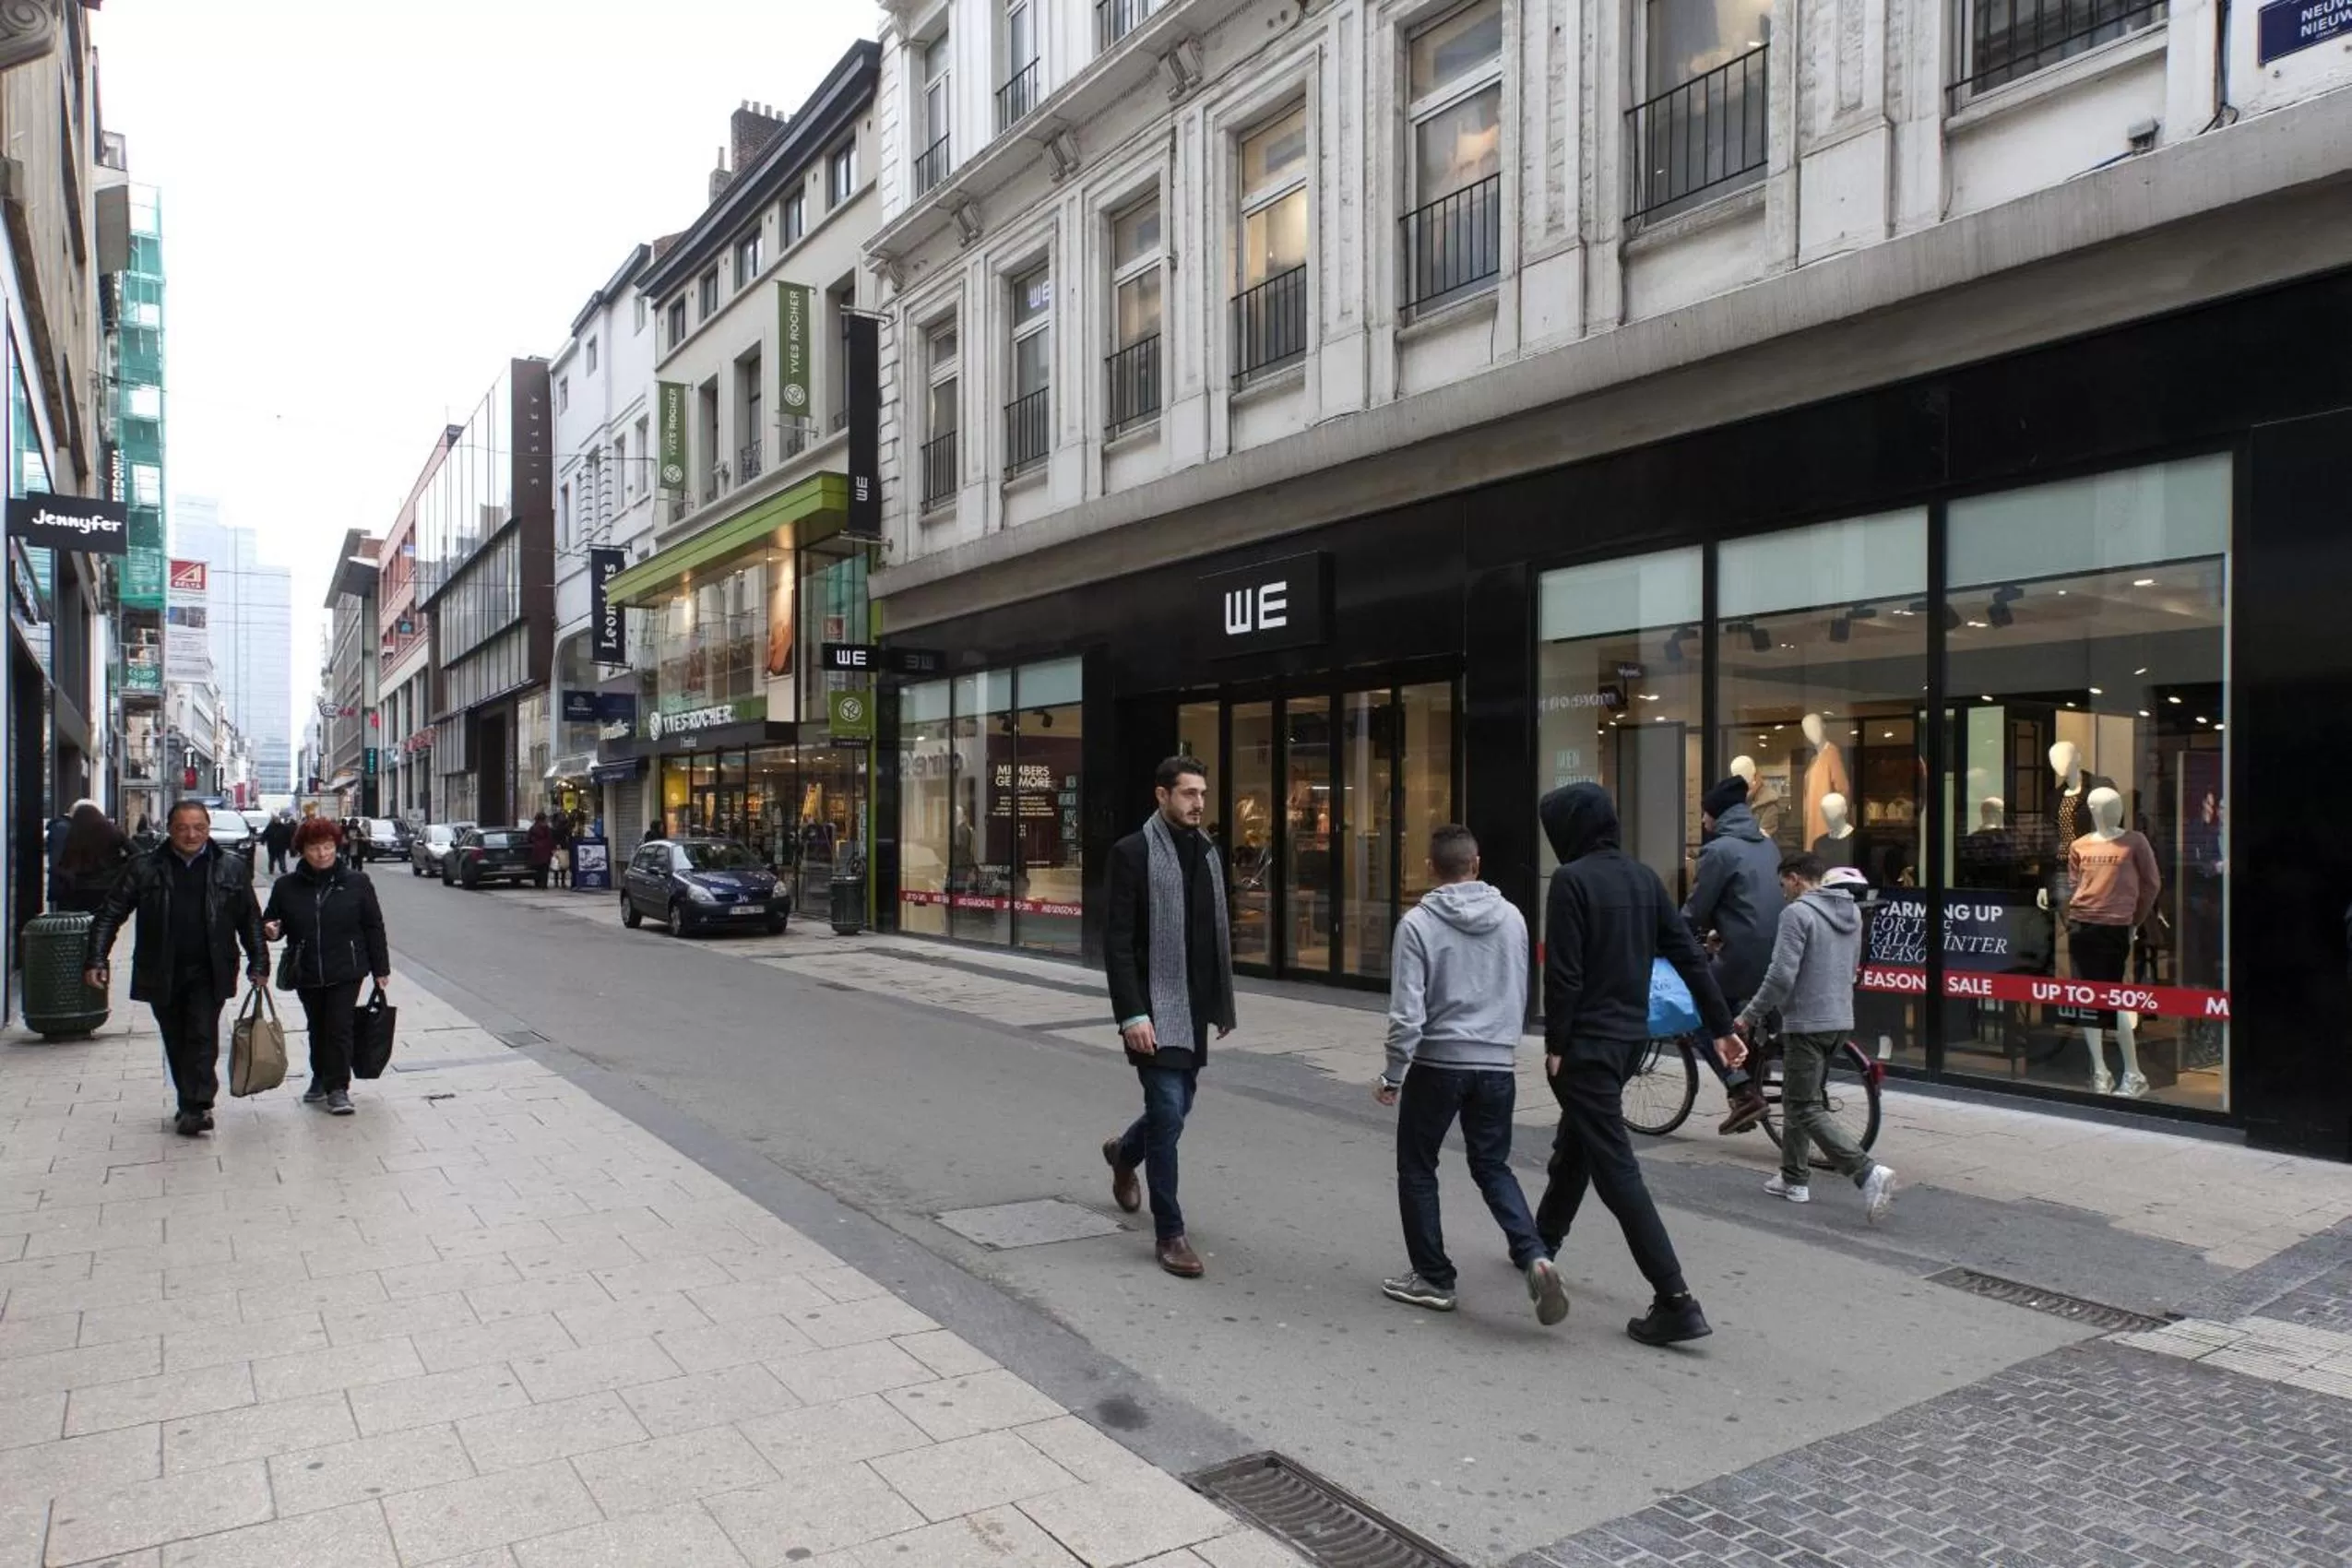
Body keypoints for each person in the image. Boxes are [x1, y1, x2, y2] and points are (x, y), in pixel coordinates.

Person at [1534, 782, 1743, 1348]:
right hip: (1629, 1044)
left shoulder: (1572, 882)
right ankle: (1538, 1244)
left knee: (1614, 1167)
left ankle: (1675, 1298)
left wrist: (1556, 1041)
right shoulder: (1645, 878)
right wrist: (1721, 1029)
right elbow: (1690, 957)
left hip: (1587, 1045)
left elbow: (1565, 973)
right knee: (1577, 1143)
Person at [1374, 825, 1568, 1325]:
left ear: (1430, 866)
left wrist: (1393, 1073)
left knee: (1418, 1167)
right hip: (1496, 1065)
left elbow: (1407, 1013)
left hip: (1438, 1064)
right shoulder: (1512, 918)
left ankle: (1433, 1277)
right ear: (1477, 864)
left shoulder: (1417, 924)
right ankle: (1534, 1255)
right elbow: (1520, 989)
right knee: (1492, 1166)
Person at [1100, 755, 1236, 1279]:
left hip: (1193, 1006)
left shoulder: (1207, 854)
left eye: (1202, 792)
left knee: (1177, 1109)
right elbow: (1116, 942)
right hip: (1152, 1006)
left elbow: (1212, 934)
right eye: (1187, 793)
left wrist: (1221, 1000)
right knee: (1167, 1114)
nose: (1198, 802)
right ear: (1162, 796)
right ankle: (1170, 1233)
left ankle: (1122, 1153)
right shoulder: (1132, 853)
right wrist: (1131, 1012)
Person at [83, 799, 268, 1136]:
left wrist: (259, 961)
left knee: (202, 1034)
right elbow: (111, 913)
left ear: (208, 829)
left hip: (210, 968)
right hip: (162, 968)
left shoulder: (231, 868)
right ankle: (188, 1102)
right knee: (176, 1036)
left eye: (199, 827)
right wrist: (97, 958)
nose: (191, 834)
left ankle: (198, 1106)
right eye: (183, 828)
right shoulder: (145, 867)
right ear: (169, 830)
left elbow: (249, 919)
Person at [1738, 857, 1896, 1220]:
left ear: (1795, 880)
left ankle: (1867, 1173)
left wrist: (1749, 1014)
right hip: (1840, 1020)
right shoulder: (1852, 914)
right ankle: (1793, 1178)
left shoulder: (1797, 915)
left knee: (1806, 1106)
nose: (1783, 894)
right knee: (1799, 1097)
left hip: (1807, 1022)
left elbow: (1781, 975)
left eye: (1783, 886)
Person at [262, 818, 390, 1117]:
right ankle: (319, 1076)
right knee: (317, 1026)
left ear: (337, 846)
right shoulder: (286, 886)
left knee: (339, 1026)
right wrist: (271, 929)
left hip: (347, 967)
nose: (322, 854)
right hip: (305, 967)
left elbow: (373, 926)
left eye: (328, 846)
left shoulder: (357, 882)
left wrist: (380, 969)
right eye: (314, 847)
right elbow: (271, 921)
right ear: (302, 850)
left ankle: (338, 1088)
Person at [1683, 777, 1780, 1134]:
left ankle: (1743, 1092)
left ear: (1717, 815)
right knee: (1740, 1014)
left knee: (1699, 1015)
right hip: (1775, 951)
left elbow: (1697, 908)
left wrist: (1667, 934)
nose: (1703, 823)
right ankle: (1754, 1070)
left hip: (1744, 956)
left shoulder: (1719, 850)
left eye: (1704, 815)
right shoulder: (1768, 847)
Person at [51, 802, 129, 914]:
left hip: (79, 888)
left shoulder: (74, 833)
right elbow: (135, 852)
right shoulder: (112, 830)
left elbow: (63, 862)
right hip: (108, 886)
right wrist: (119, 863)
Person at [526, 811, 555, 888]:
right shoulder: (546, 827)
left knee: (537, 867)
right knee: (545, 868)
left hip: (537, 849)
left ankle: (538, 883)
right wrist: (552, 848)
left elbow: (528, 838)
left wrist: (533, 841)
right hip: (546, 849)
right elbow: (550, 839)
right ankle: (544, 884)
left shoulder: (533, 827)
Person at [263, 812, 295, 877]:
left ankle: (283, 869)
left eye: (278, 819)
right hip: (272, 847)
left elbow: (288, 836)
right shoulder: (270, 827)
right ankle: (271, 869)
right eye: (276, 819)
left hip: (281, 847)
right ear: (274, 820)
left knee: (282, 859)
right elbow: (265, 834)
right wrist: (262, 841)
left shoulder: (284, 827)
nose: (277, 820)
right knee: (272, 859)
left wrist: (289, 845)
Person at [550, 812, 574, 889]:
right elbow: (569, 835)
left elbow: (551, 837)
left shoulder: (553, 827)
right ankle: (562, 882)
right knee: (563, 865)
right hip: (563, 847)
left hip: (556, 847)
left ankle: (556, 882)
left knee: (556, 864)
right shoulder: (565, 826)